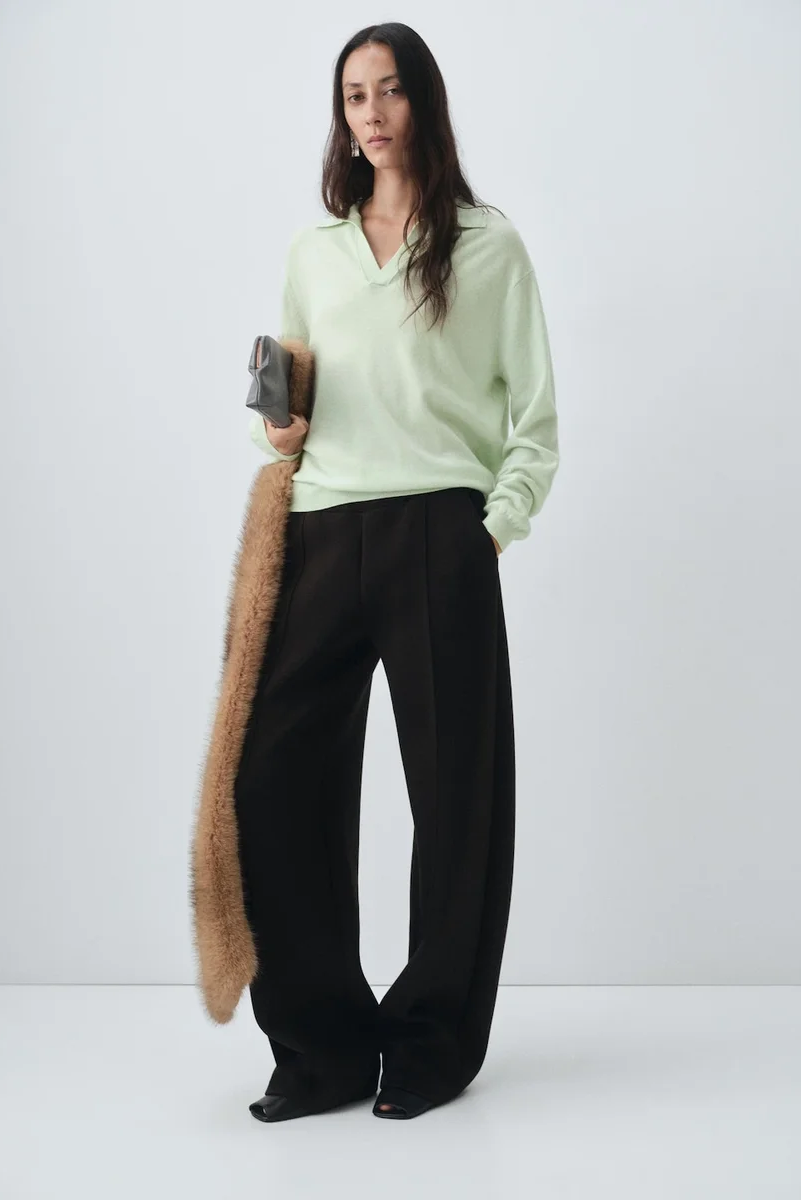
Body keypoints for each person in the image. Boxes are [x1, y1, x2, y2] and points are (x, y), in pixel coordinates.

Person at [239, 21, 559, 1123]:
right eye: (352, 96)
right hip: (322, 535)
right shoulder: (313, 252)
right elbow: (285, 404)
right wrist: (277, 430)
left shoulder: (487, 246)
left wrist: (490, 529)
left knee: (457, 799)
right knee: (272, 785)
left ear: (423, 100)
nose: (370, 114)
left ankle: (430, 1045)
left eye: (388, 91)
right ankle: (322, 1049)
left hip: (439, 536)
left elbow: (535, 418)